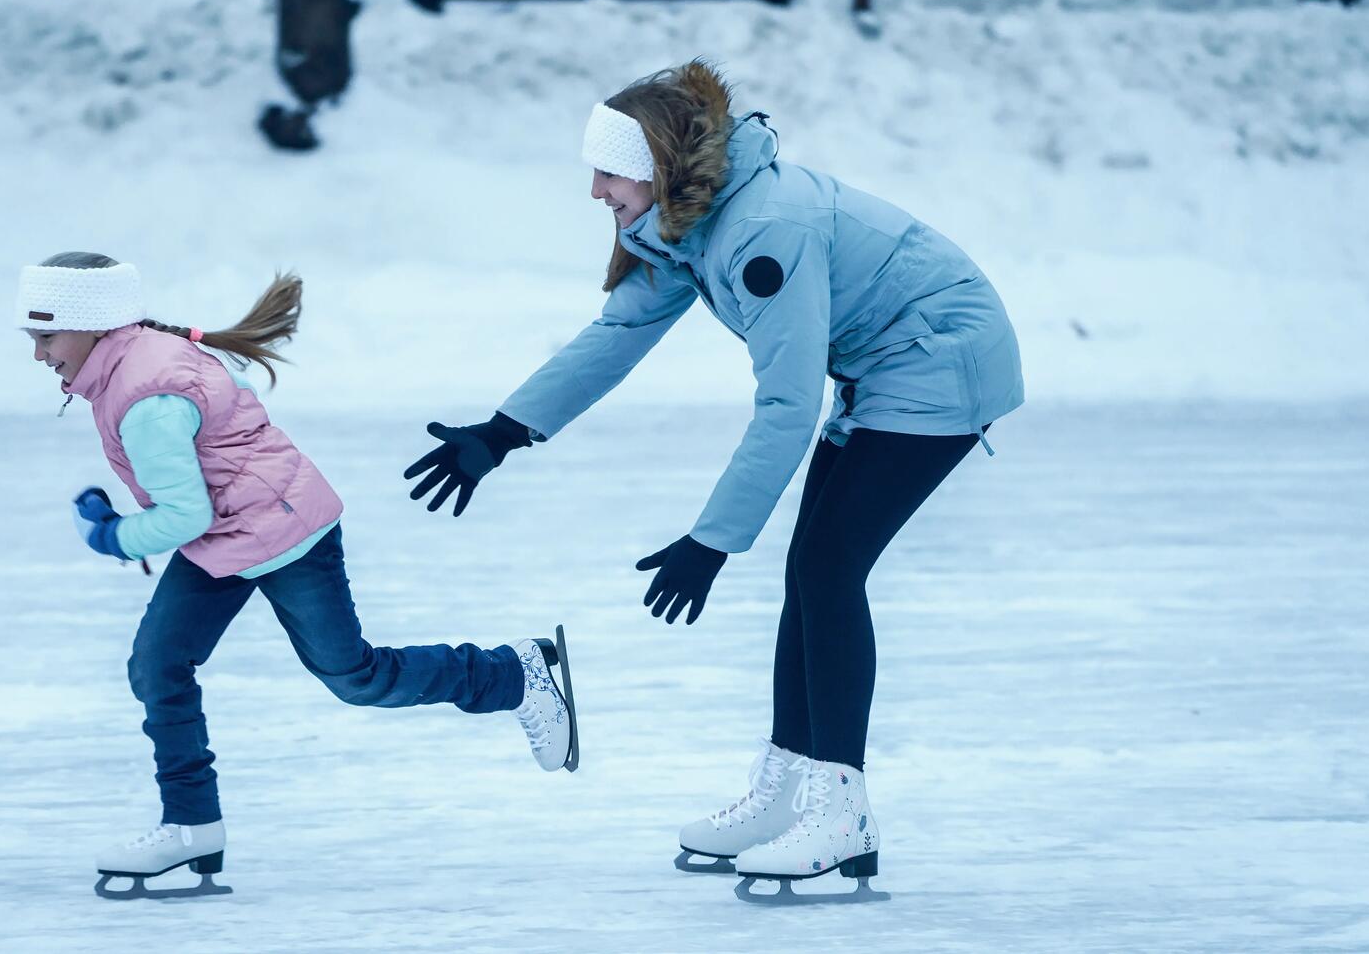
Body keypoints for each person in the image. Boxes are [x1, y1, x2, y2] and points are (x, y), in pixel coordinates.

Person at [403, 60, 1022, 899]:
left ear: (657, 166)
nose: (594, 191)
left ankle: (841, 811)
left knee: (827, 570)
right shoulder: (683, 225)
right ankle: (785, 790)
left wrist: (712, 540)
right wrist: (503, 433)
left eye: (608, 172)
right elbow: (615, 335)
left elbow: (787, 402)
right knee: (814, 574)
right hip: (883, 365)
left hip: (938, 360)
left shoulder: (767, 229)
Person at [18, 252, 577, 899]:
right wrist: (143, 522)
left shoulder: (148, 392)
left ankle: (512, 672)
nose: (39, 355)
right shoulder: (130, 362)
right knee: (156, 663)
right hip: (226, 537)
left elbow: (185, 511)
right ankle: (192, 823)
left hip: (287, 532)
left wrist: (113, 535)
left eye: (46, 336)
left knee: (356, 676)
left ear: (91, 323)